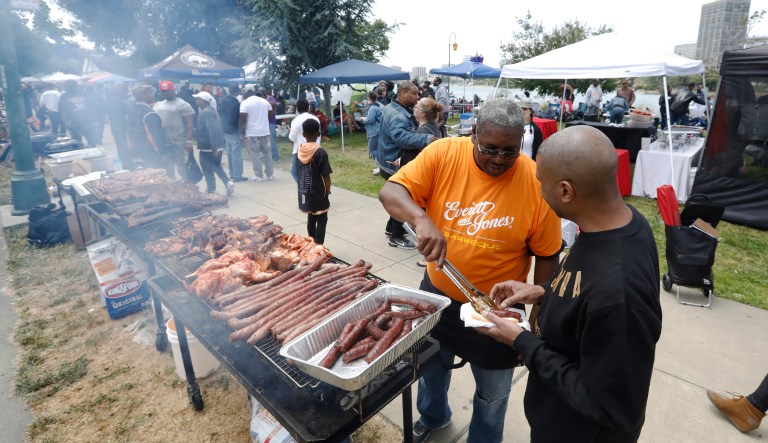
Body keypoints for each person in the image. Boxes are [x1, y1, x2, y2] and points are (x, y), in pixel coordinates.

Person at [378, 98, 562, 443]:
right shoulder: (444, 153)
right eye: (490, 149)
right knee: (431, 370)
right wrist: (420, 218)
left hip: (498, 309)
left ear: (522, 140)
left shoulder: (536, 182)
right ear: (474, 133)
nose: (499, 160)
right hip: (437, 294)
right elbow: (390, 190)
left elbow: (547, 254)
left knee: (493, 392)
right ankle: (433, 418)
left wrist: (538, 314)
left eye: (510, 152)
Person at [477, 125, 663, 442]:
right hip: (555, 416)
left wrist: (522, 342)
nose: (539, 190)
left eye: (541, 183)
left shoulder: (620, 294)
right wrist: (543, 292)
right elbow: (585, 289)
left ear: (566, 191)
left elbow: (616, 407)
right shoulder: (617, 221)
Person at [377, 81, 437, 250]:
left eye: (418, 94)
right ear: (402, 92)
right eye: (414, 94)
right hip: (394, 163)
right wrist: (426, 139)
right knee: (404, 199)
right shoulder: (397, 114)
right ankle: (395, 236)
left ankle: (391, 228)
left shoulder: (398, 109)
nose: (418, 97)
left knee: (401, 197)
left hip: (390, 161)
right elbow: (400, 137)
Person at [296, 118, 332, 244]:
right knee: (322, 219)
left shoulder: (299, 151)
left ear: (303, 134)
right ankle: (319, 247)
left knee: (311, 217)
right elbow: (326, 175)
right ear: (319, 134)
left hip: (304, 191)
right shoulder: (320, 152)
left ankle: (311, 244)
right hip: (318, 192)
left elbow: (298, 172)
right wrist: (327, 190)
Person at [193, 91, 233, 195]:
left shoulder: (205, 112)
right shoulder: (212, 110)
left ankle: (211, 189)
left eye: (198, 99)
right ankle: (227, 182)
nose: (196, 101)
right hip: (215, 145)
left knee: (206, 168)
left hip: (208, 146)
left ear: (203, 101)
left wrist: (214, 146)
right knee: (216, 165)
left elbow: (213, 129)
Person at [153, 81, 196, 179]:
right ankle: (172, 190)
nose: (165, 93)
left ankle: (189, 187)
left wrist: (189, 141)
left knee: (182, 168)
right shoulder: (158, 105)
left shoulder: (183, 105)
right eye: (163, 91)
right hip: (164, 143)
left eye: (168, 91)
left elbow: (190, 124)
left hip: (179, 143)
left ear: (174, 90)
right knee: (167, 169)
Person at [126, 85, 166, 169]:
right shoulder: (149, 113)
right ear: (143, 95)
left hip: (136, 153)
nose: (153, 95)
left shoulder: (131, 111)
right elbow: (155, 137)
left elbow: (128, 134)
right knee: (157, 179)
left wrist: (131, 151)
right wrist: (162, 153)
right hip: (151, 154)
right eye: (150, 93)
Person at [239, 86, 274, 182]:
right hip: (265, 132)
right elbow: (271, 115)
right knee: (267, 153)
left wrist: (241, 132)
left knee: (255, 154)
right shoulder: (265, 102)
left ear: (246, 92)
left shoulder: (245, 103)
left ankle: (258, 176)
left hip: (253, 133)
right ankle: (270, 175)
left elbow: (242, 118)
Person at [289, 99, 320, 183]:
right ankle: (309, 188)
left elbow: (292, 138)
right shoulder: (315, 118)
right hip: (315, 149)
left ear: (297, 109)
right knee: (312, 173)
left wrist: (290, 131)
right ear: (308, 108)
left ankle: (304, 190)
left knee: (295, 173)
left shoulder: (296, 120)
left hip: (301, 151)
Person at [219, 86, 246, 182]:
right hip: (233, 130)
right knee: (236, 153)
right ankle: (237, 175)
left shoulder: (222, 100)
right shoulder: (235, 103)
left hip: (225, 129)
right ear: (237, 91)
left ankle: (232, 173)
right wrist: (240, 131)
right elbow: (236, 117)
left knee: (230, 152)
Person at [60, 80, 97, 147]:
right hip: (74, 123)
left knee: (90, 140)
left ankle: (91, 150)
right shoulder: (64, 97)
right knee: (78, 141)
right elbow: (63, 111)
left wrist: (93, 118)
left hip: (86, 122)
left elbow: (91, 107)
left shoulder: (83, 94)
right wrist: (67, 123)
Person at [105, 82, 131, 169]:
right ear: (118, 90)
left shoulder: (116, 98)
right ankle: (127, 166)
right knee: (123, 148)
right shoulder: (115, 99)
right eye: (124, 89)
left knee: (122, 147)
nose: (126, 91)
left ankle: (126, 164)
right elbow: (119, 115)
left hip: (118, 126)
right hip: (119, 127)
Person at [364, 91, 384, 175]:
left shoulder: (372, 108)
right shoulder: (380, 105)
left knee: (372, 149)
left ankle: (382, 167)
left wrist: (362, 119)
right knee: (379, 149)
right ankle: (380, 167)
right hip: (380, 130)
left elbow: (370, 120)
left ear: (369, 98)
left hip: (374, 132)